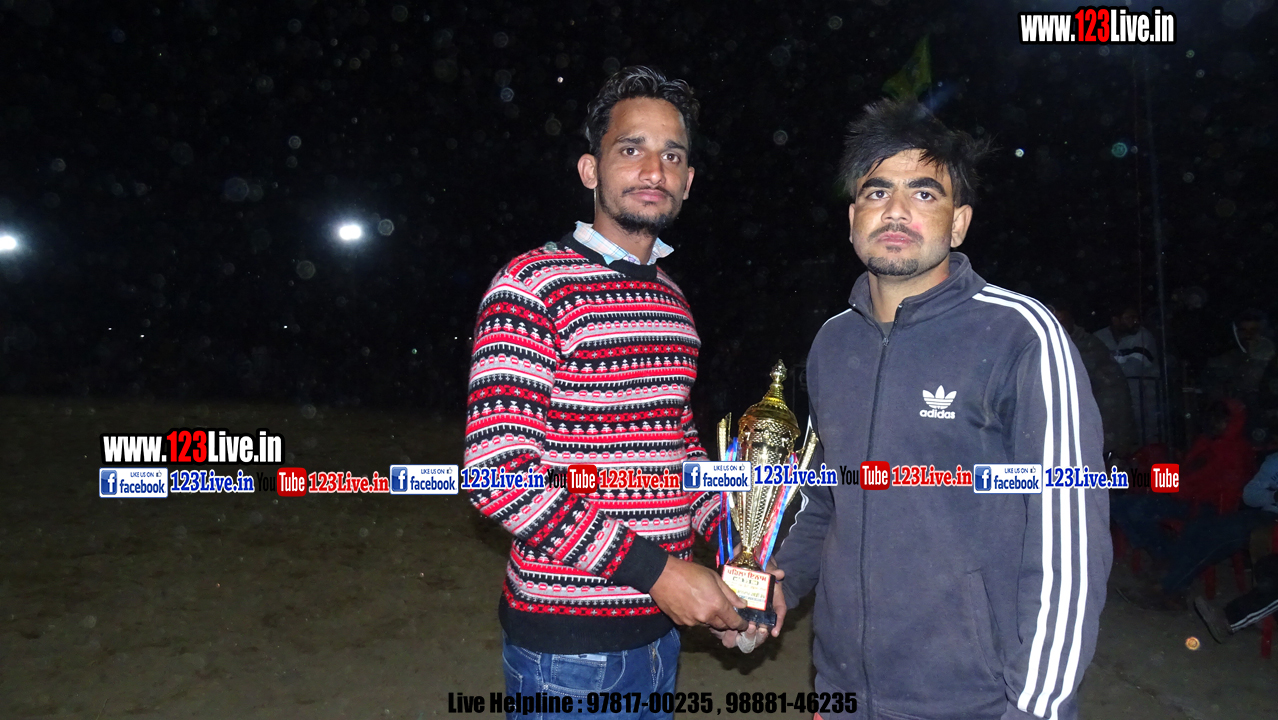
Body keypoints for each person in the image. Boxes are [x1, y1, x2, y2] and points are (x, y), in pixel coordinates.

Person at [747, 99, 1112, 720]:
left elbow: (1069, 543)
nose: (895, 210)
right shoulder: (833, 342)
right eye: (876, 191)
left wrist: (1038, 708)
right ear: (853, 219)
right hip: (841, 690)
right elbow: (825, 495)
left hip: (973, 700)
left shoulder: (1019, 335)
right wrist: (780, 580)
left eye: (923, 193)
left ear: (959, 223)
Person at [461, 66, 751, 720]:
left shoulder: (672, 300)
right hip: (569, 652)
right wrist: (660, 573)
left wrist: (738, 550)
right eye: (631, 148)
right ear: (591, 169)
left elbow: (677, 449)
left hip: (659, 636)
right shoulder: (532, 284)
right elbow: (496, 475)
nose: (653, 169)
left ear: (688, 180)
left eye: (672, 155)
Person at [1111, 399, 1259, 609]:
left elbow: (1215, 487)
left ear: (1231, 422)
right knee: (1121, 505)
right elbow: (1184, 474)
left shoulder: (1234, 450)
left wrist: (1167, 485)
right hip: (1186, 498)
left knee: (1138, 508)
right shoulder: (1206, 442)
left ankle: (1167, 565)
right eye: (1213, 419)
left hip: (1209, 509)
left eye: (1220, 420)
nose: (1215, 424)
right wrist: (1146, 479)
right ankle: (1164, 556)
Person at [1194, 452, 1278, 642]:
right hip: (1268, 516)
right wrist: (1273, 495)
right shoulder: (1275, 461)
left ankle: (1229, 620)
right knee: (1267, 565)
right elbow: (1250, 495)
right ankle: (1261, 614)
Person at [1048, 298, 1137, 463]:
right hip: (1092, 421)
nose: (1058, 327)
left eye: (1062, 322)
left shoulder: (1086, 345)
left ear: (1071, 321)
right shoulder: (1058, 344)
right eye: (1053, 322)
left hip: (1104, 419)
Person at [1095, 302, 1163, 446]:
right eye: (1130, 318)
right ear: (1115, 320)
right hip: (1112, 402)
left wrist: (1105, 370)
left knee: (1146, 442)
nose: (1135, 321)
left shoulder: (1143, 336)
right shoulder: (1099, 337)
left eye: (1136, 317)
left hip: (1142, 401)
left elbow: (1133, 369)